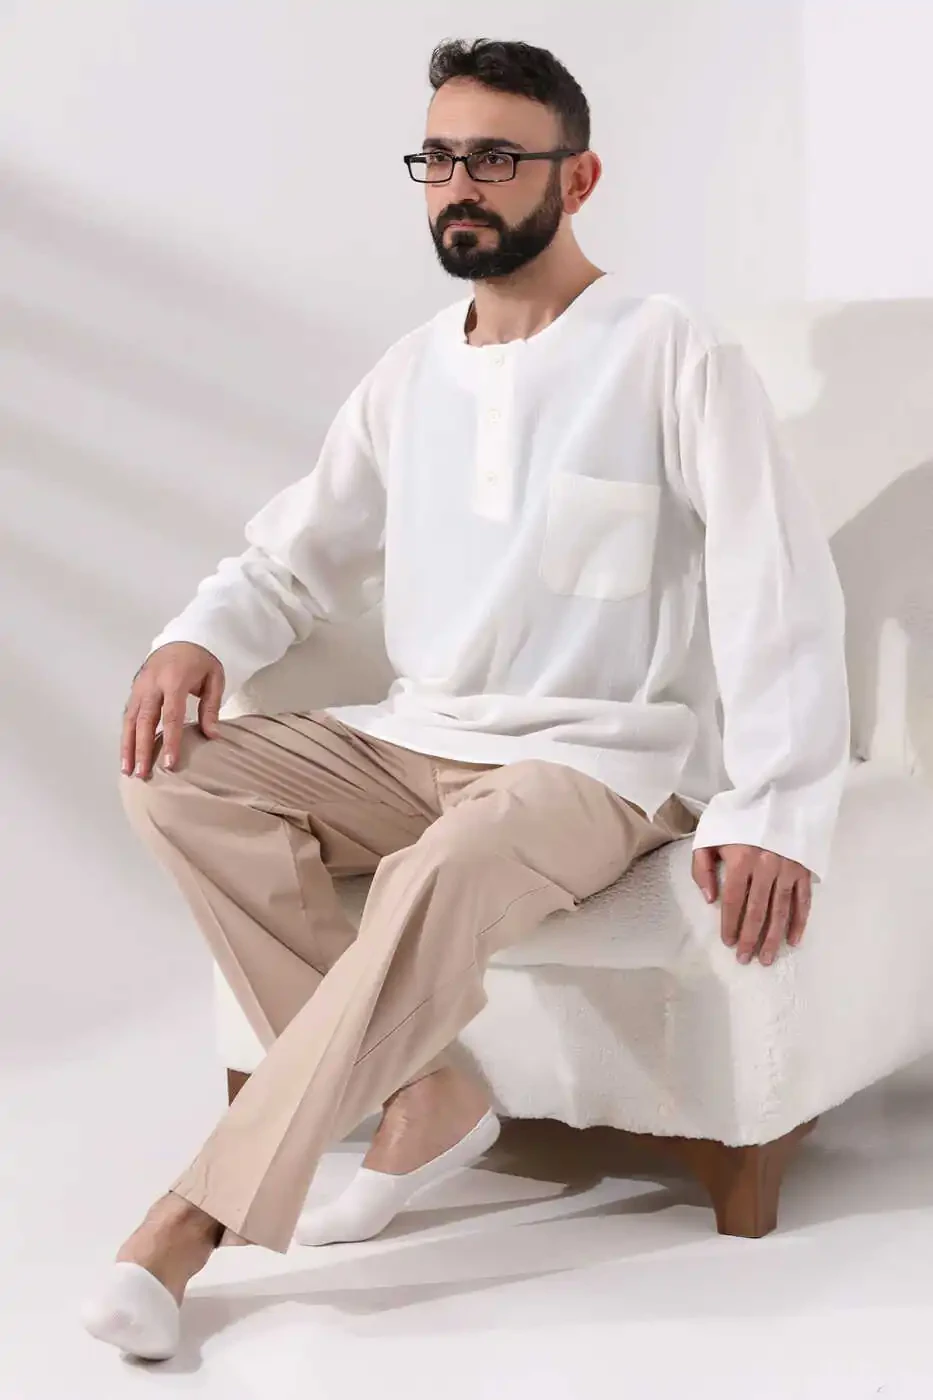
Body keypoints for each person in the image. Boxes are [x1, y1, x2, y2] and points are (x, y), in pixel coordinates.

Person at [82, 37, 850, 1360]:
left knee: (443, 867)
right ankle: (428, 1090)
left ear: (578, 176)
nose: (460, 186)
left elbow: (774, 583)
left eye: (495, 157)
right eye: (439, 158)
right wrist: (196, 636)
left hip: (604, 765)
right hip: (418, 738)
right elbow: (292, 558)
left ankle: (186, 1225)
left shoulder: (669, 350)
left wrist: (777, 803)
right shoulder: (410, 374)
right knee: (173, 775)